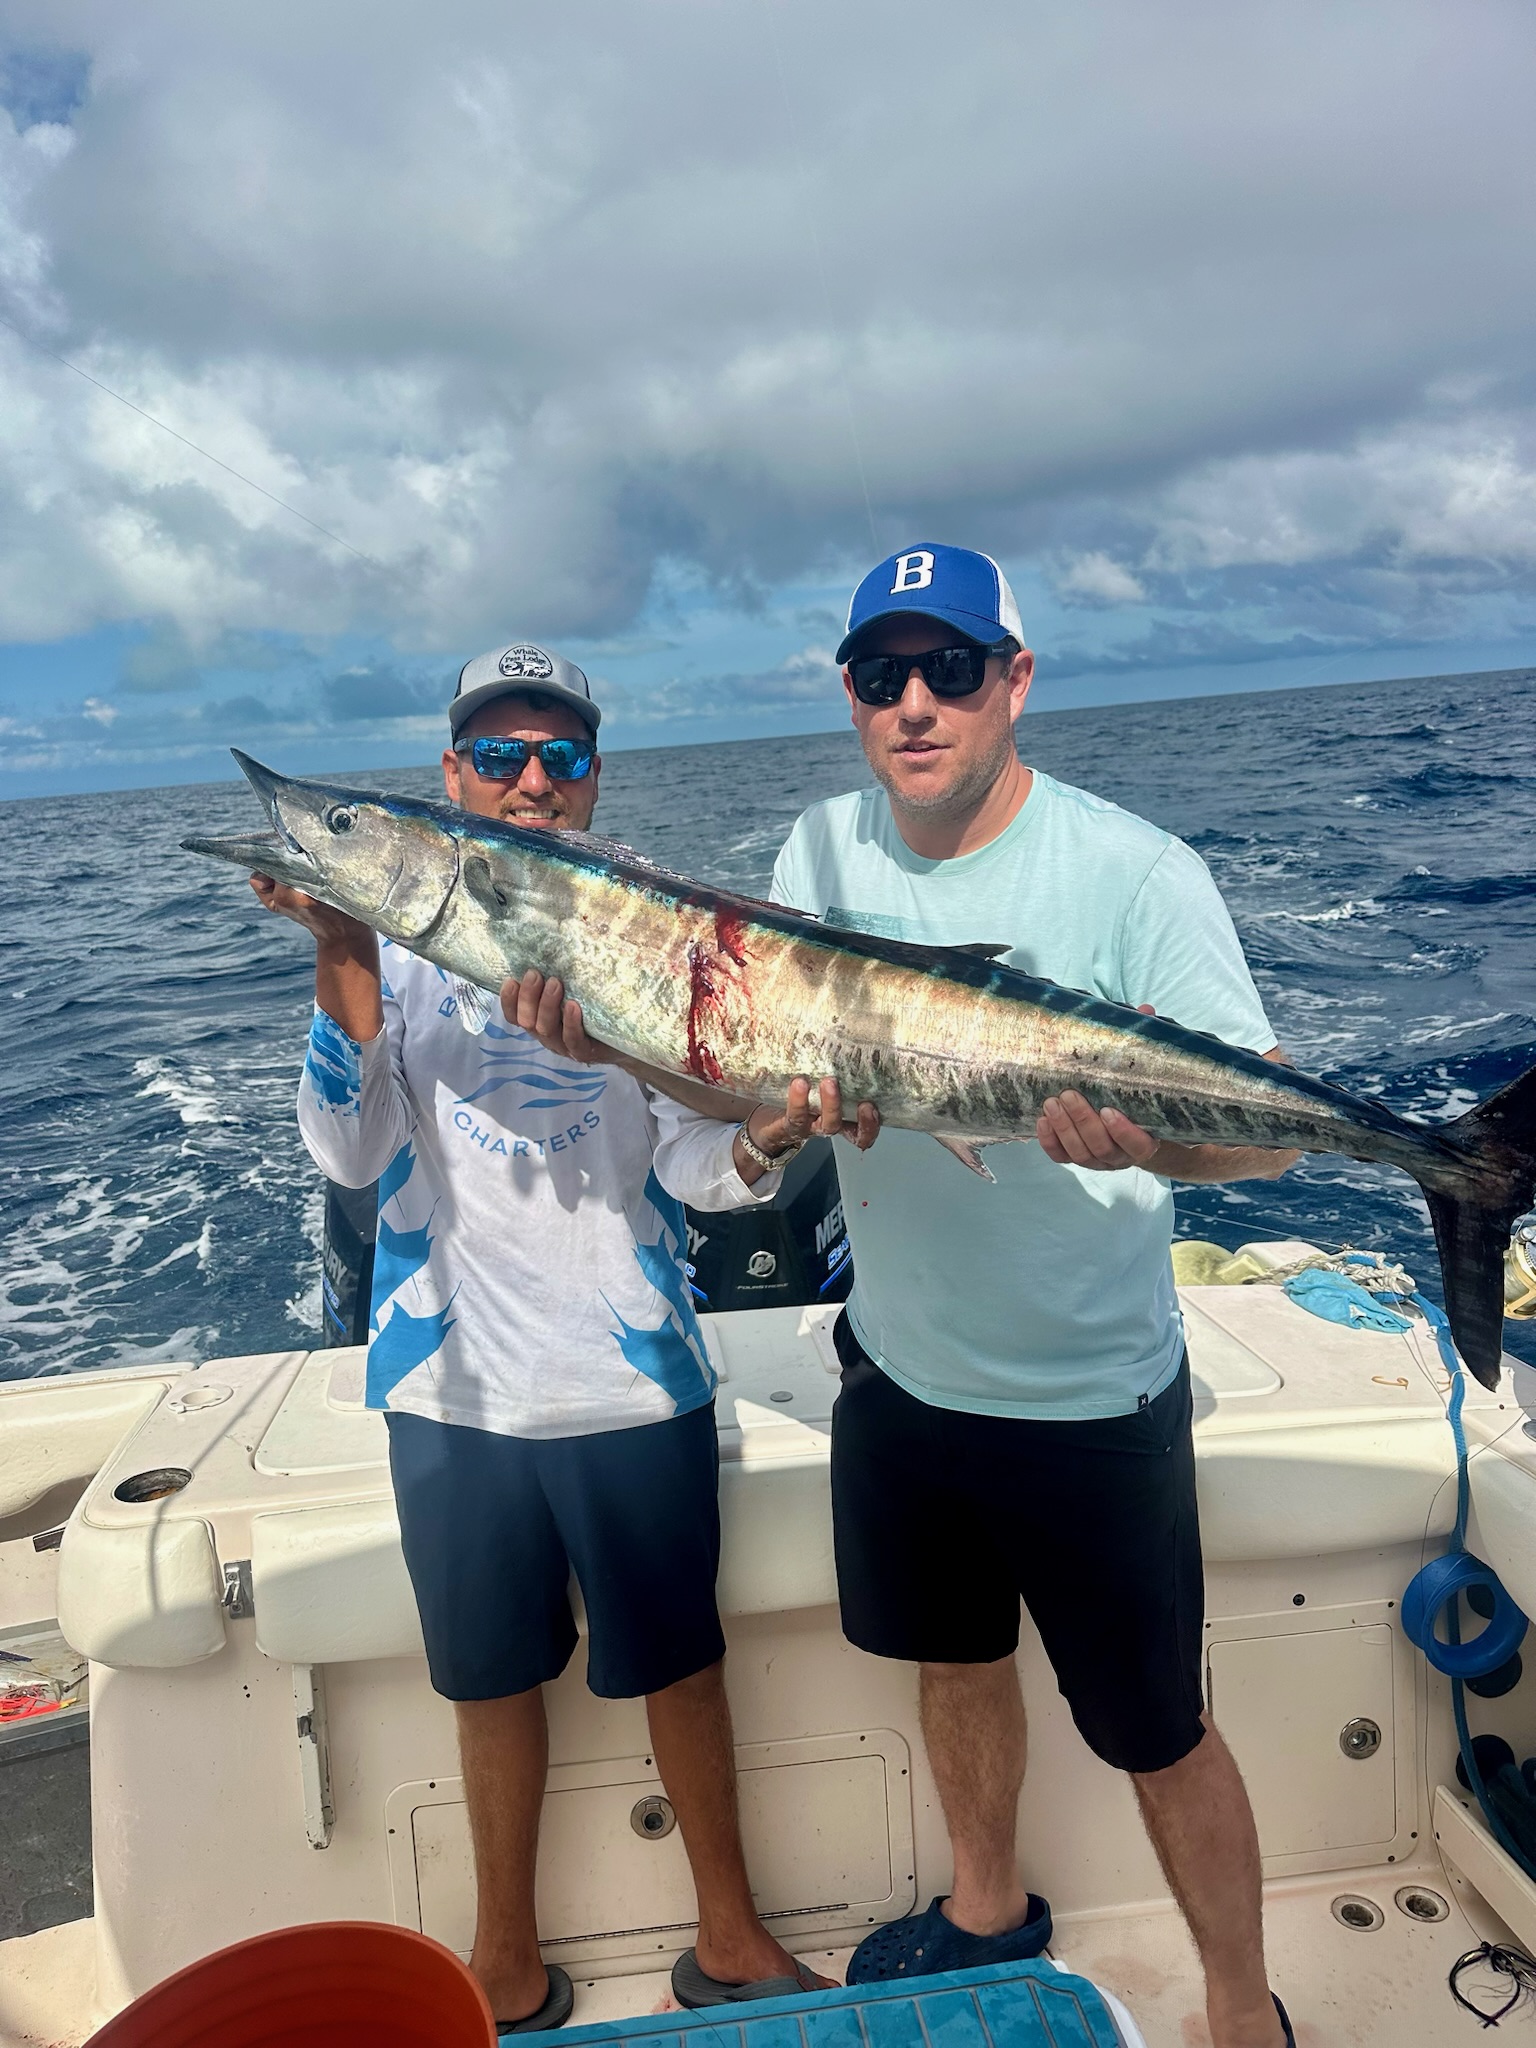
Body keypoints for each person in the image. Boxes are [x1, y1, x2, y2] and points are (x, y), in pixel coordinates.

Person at [758, 544, 1300, 2048]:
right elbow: (774, 1064)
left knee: (1157, 1729)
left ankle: (1241, 2008)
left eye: (950, 670)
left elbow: (1259, 1139)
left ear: (1015, 682)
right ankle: (988, 1908)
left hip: (1088, 1398)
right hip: (900, 1372)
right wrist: (785, 1103)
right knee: (955, 1661)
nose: (914, 705)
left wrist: (1152, 1137)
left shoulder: (1136, 872)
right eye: (881, 676)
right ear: (850, 698)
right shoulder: (819, 847)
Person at [251, 642, 837, 2034]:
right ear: (449, 779)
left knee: (681, 1666)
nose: (529, 779)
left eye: (558, 756)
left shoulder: (658, 941)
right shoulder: (392, 950)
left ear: (593, 779)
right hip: (451, 1388)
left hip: (633, 1377)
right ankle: (501, 1957)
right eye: (498, 755)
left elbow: (694, 1163)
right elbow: (349, 1155)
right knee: (489, 1680)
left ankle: (732, 1934)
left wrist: (763, 1139)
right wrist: (341, 950)